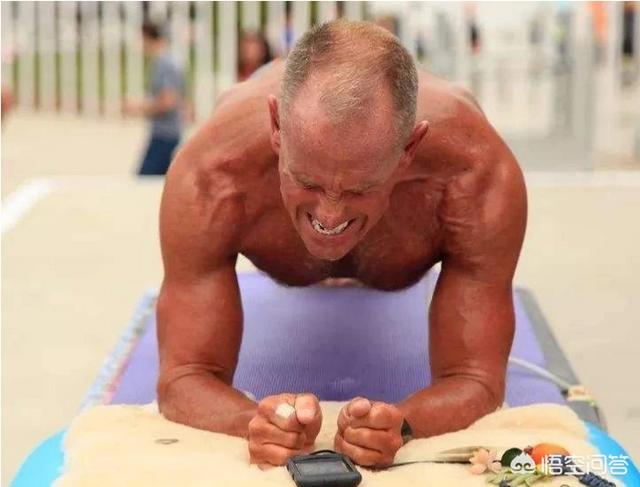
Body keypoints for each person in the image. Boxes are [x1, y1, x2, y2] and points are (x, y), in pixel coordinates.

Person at [157, 20, 526, 470]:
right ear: (276, 128)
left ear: (410, 149)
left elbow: (476, 378)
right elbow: (183, 376)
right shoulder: (211, 175)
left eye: (359, 190)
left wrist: (403, 426)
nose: (329, 217)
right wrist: (254, 422)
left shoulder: (475, 175)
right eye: (306, 182)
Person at [124, 21, 185, 176]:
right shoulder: (172, 60)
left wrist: (137, 106)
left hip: (164, 133)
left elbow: (167, 101)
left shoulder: (164, 63)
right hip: (169, 132)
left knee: (144, 182)